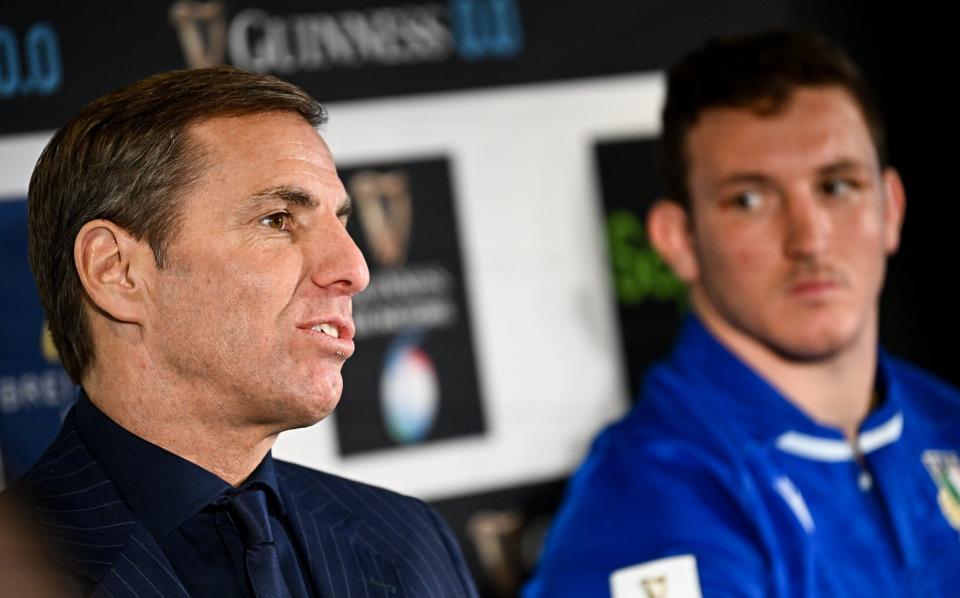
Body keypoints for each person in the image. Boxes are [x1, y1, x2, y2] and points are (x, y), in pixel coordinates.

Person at [9, 66, 478, 597]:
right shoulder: (20, 569)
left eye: (342, 224)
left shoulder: (408, 541)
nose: (355, 267)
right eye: (278, 219)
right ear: (116, 271)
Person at [524, 30, 960, 597]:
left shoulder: (947, 419)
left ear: (891, 208)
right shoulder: (648, 499)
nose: (811, 239)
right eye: (750, 199)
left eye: (837, 186)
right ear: (678, 239)